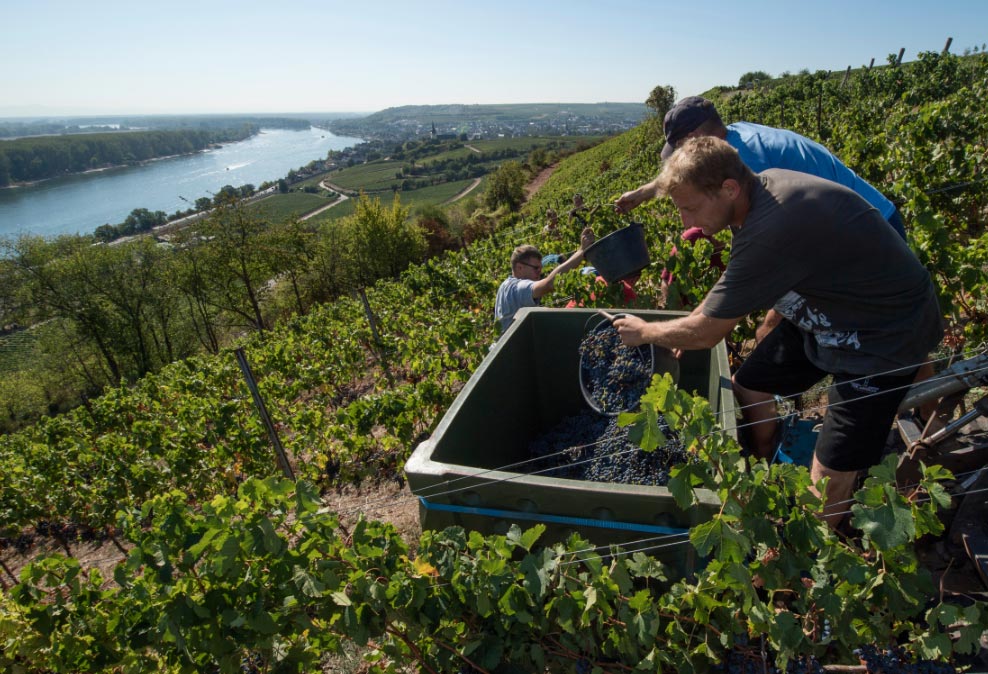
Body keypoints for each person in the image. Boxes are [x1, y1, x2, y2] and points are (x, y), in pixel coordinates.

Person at [611, 136, 942, 528]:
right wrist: (680, 328)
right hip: (827, 313)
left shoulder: (772, 227)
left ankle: (814, 558)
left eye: (690, 208)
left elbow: (706, 333)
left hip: (881, 335)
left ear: (728, 188)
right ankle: (762, 465)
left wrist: (647, 332)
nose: (686, 221)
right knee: (749, 385)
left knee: (829, 473)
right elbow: (725, 294)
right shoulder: (757, 191)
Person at [495, 228, 595, 332]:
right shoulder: (517, 288)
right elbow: (549, 284)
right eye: (536, 268)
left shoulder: (505, 285)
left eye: (540, 268)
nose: (540, 272)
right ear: (520, 267)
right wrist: (581, 251)